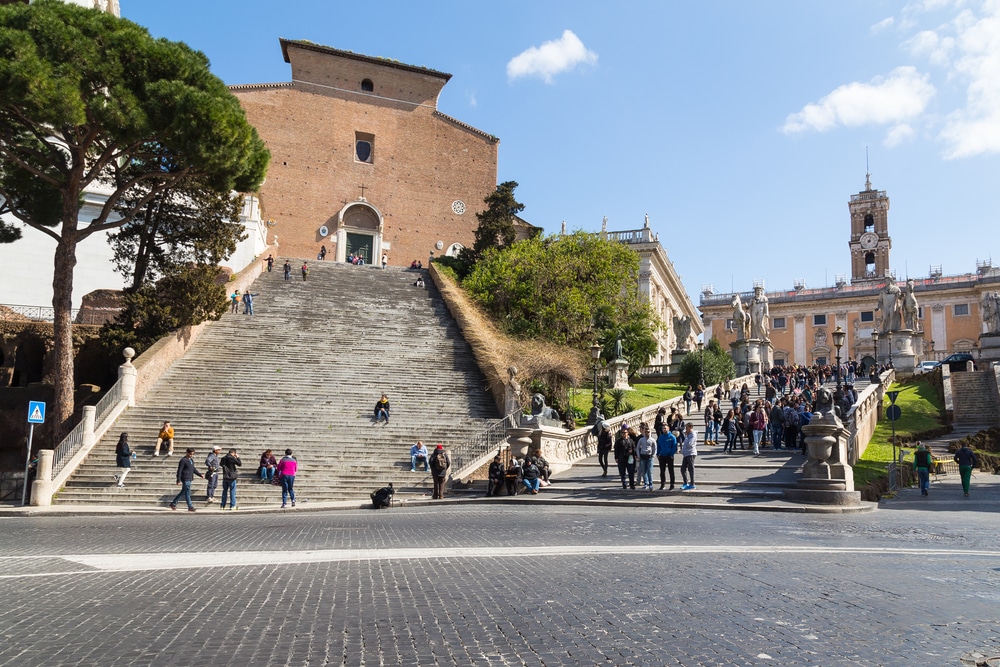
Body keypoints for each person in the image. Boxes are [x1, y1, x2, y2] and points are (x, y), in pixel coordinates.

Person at [613, 424, 636, 490]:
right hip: (621, 458)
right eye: (622, 432)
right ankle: (624, 484)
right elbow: (616, 450)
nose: (623, 434)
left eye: (625, 432)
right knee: (622, 473)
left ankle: (632, 484)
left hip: (629, 458)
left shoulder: (631, 440)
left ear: (627, 433)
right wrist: (616, 457)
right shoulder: (618, 441)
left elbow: (634, 448)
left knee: (631, 472)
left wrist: (633, 452)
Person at [656, 425, 678, 490]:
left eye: (665, 428)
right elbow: (658, 446)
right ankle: (662, 484)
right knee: (662, 471)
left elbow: (674, 446)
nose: (664, 429)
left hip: (669, 456)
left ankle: (672, 484)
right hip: (662, 456)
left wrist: (672, 454)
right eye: (663, 428)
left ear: (668, 429)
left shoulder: (672, 437)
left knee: (671, 470)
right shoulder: (661, 437)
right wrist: (658, 454)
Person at [635, 423, 655, 491]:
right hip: (642, 456)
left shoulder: (652, 440)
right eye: (646, 432)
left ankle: (650, 484)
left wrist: (653, 455)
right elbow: (637, 448)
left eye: (648, 432)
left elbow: (655, 448)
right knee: (643, 471)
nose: (647, 433)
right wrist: (638, 455)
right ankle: (645, 483)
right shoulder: (641, 439)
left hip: (649, 457)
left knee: (649, 471)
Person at [680, 423, 698, 490]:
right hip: (686, 454)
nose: (686, 429)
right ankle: (685, 482)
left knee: (691, 469)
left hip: (691, 453)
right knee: (682, 469)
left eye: (687, 428)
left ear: (690, 427)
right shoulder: (688, 435)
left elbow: (690, 444)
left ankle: (692, 484)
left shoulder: (693, 434)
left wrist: (686, 437)